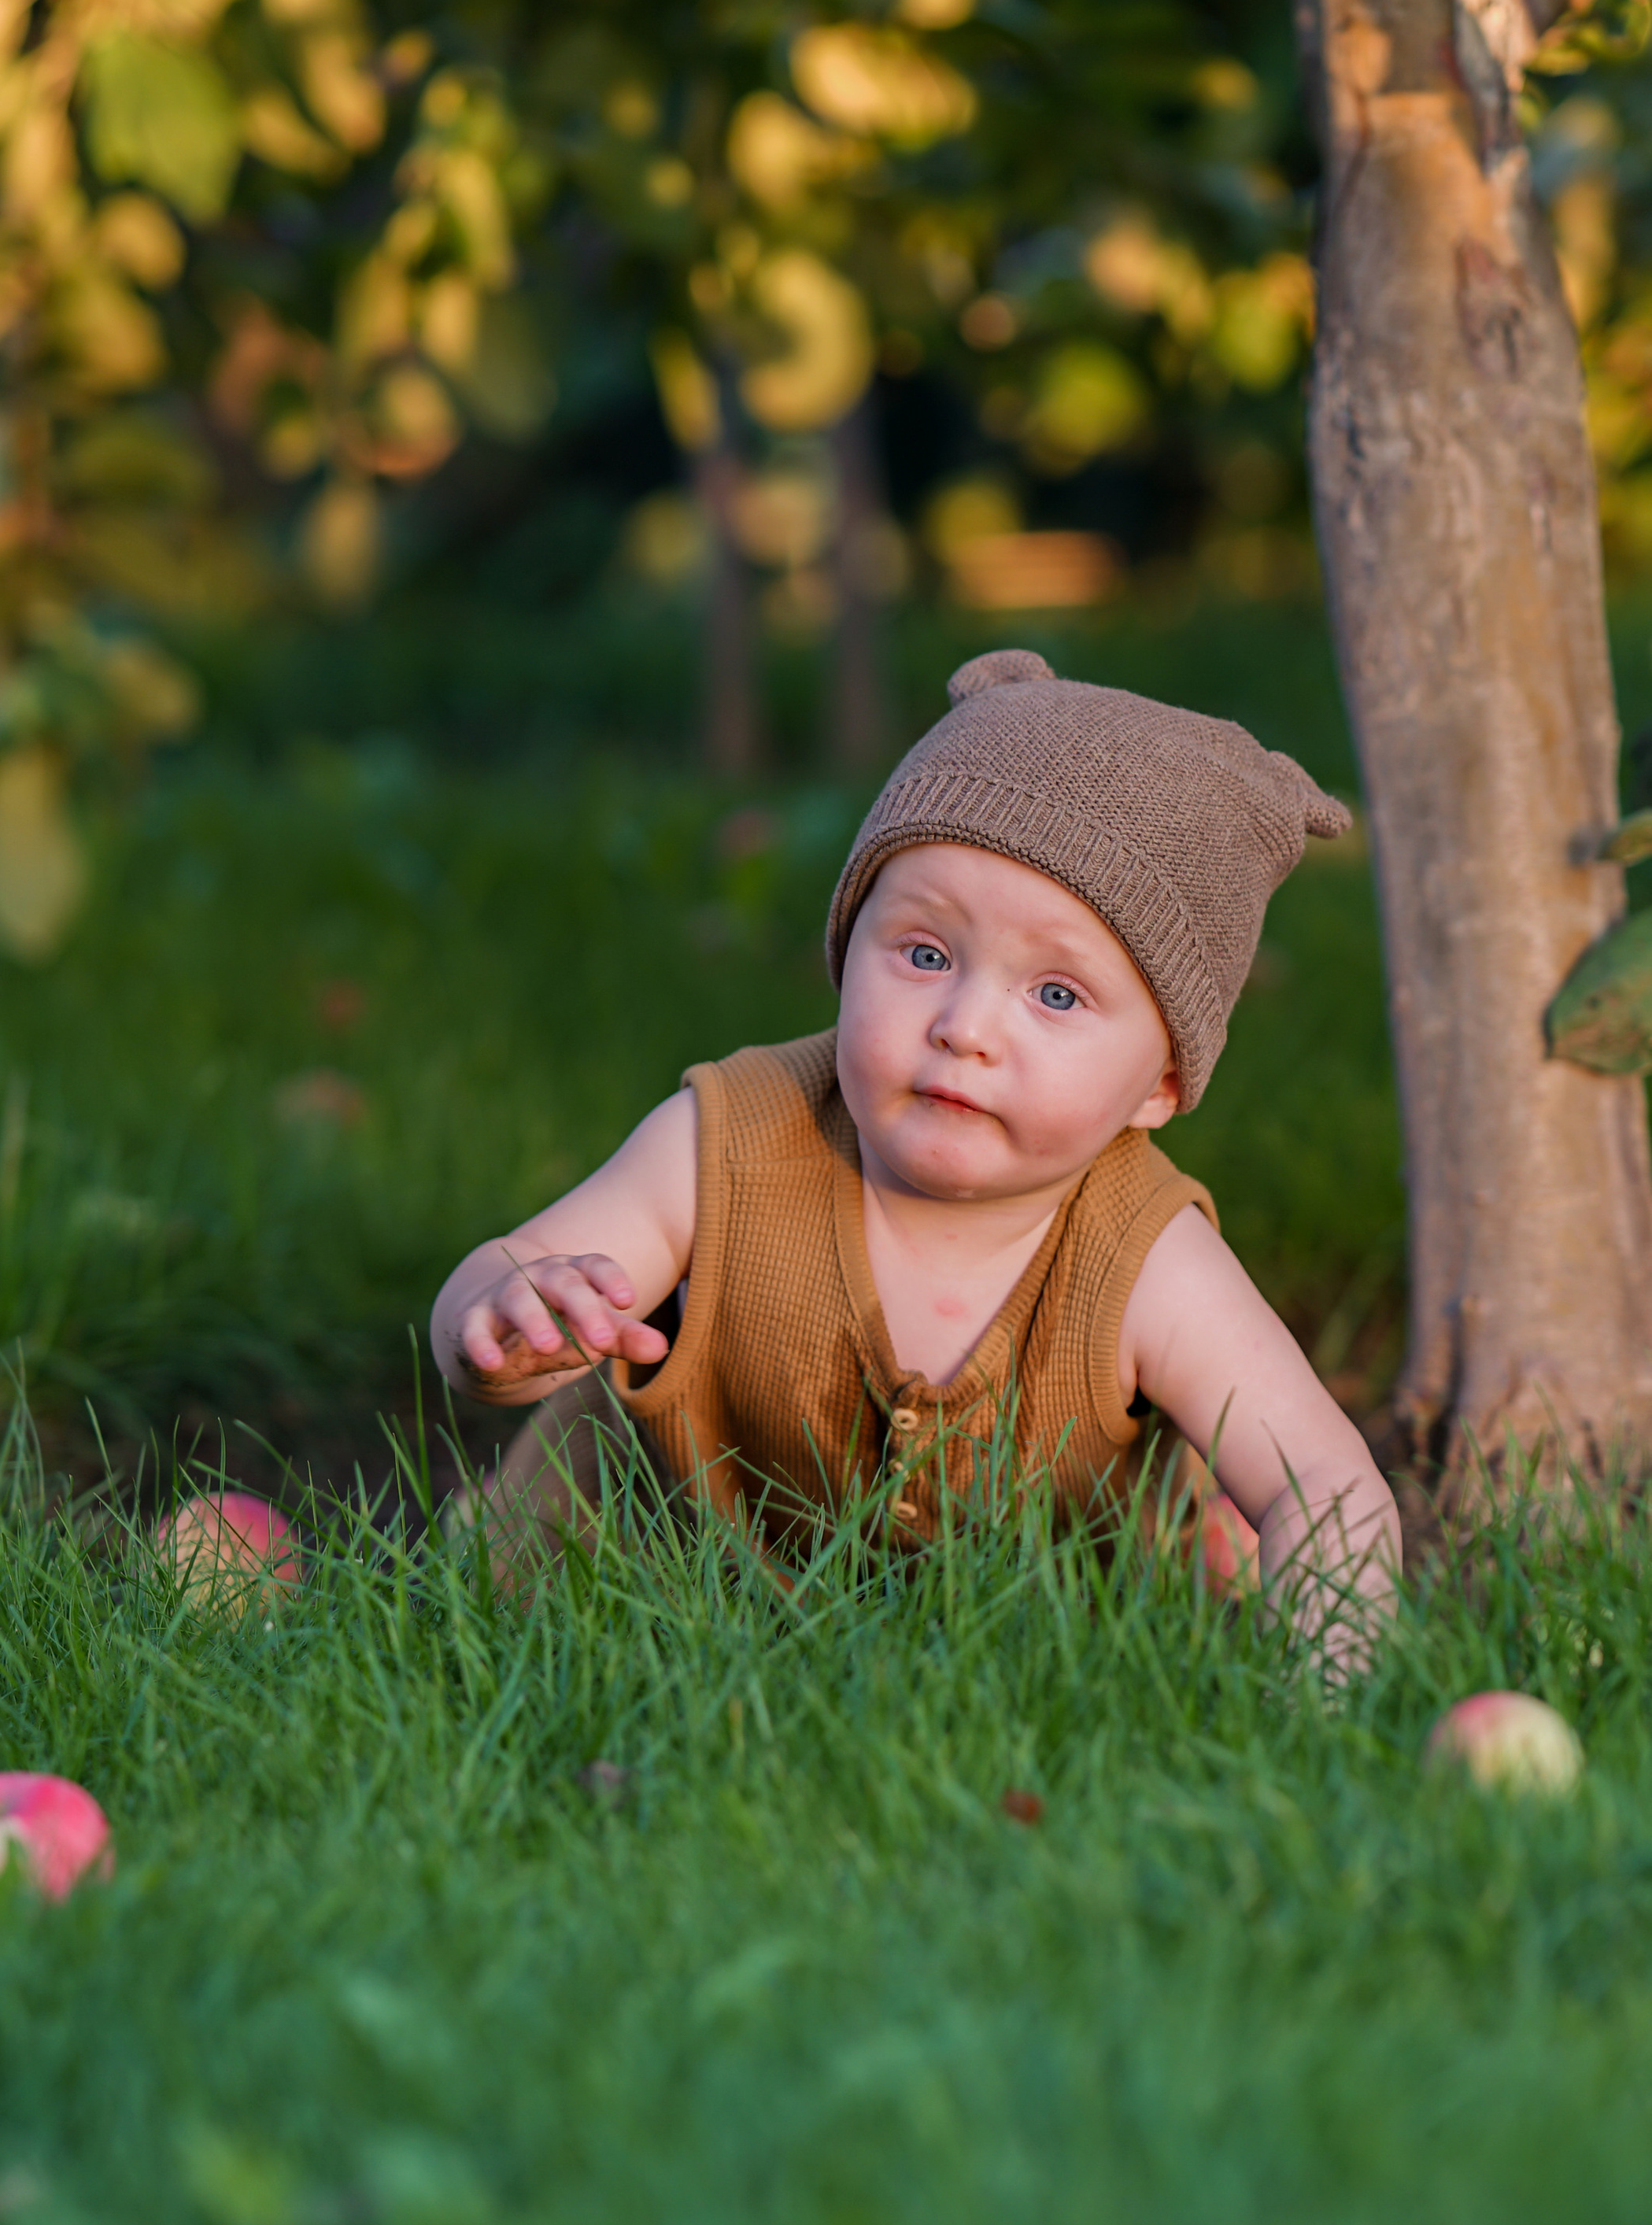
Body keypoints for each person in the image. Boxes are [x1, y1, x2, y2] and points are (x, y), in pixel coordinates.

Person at [431, 649, 1399, 1657]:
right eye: (926, 955)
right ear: (847, 952)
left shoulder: (1146, 1259)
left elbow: (1325, 1488)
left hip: (1010, 1674)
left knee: (1183, 1566)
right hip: (631, 1620)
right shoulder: (726, 1141)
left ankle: (1196, 1552)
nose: (964, 1026)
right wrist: (505, 1317)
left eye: (1056, 996)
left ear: (1160, 1085)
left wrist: (1323, 1696)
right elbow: (506, 1278)